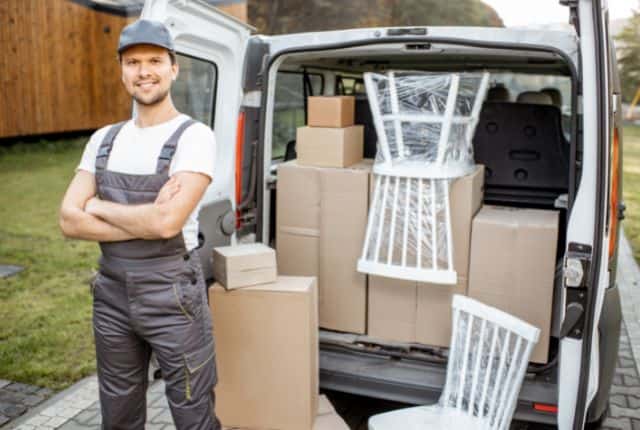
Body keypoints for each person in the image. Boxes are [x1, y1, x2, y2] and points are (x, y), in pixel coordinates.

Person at [59, 19, 220, 430]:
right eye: (132, 62)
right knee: (118, 411)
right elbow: (68, 220)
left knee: (190, 407)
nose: (143, 71)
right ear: (121, 70)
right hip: (111, 293)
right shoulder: (103, 139)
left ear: (173, 68)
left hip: (172, 295)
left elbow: (167, 224)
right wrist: (145, 219)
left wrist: (97, 204)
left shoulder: (194, 137)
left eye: (154, 60)